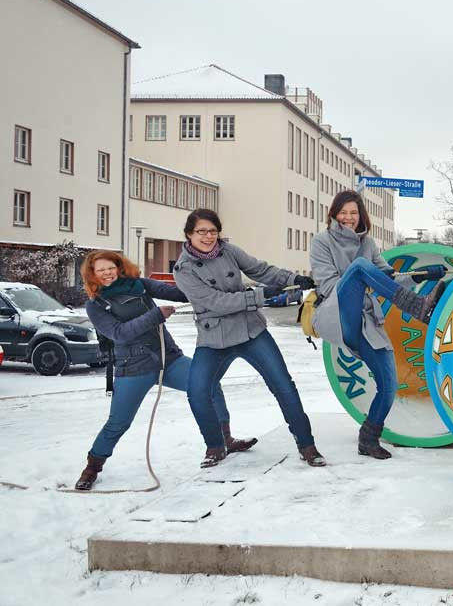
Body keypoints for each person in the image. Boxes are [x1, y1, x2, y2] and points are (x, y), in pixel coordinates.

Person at [75, 250, 255, 491]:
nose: (107, 273)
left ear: (118, 267)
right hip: (134, 367)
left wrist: (214, 290)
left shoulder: (139, 284)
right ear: (93, 275)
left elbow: (179, 293)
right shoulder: (96, 305)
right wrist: (155, 315)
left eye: (110, 268)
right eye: (101, 270)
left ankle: (225, 440)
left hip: (167, 358)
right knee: (119, 422)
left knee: (209, 383)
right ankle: (92, 467)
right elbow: (119, 333)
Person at [173, 209, 324, 468]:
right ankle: (215, 446)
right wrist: (260, 296)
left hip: (251, 331)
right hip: (214, 339)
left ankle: (307, 445)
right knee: (197, 391)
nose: (208, 237)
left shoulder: (228, 251)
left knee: (283, 385)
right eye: (201, 231)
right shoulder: (183, 269)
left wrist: (292, 278)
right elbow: (216, 302)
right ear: (189, 234)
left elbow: (260, 269)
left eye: (213, 231)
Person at [310, 190, 446, 459]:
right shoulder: (321, 241)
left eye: (353, 213)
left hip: (367, 322)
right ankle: (418, 307)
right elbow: (327, 285)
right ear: (334, 215)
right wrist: (362, 279)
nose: (348, 218)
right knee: (360, 268)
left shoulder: (368, 243)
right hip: (337, 311)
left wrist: (421, 276)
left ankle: (369, 438)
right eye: (343, 212)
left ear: (361, 216)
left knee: (388, 384)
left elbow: (388, 279)